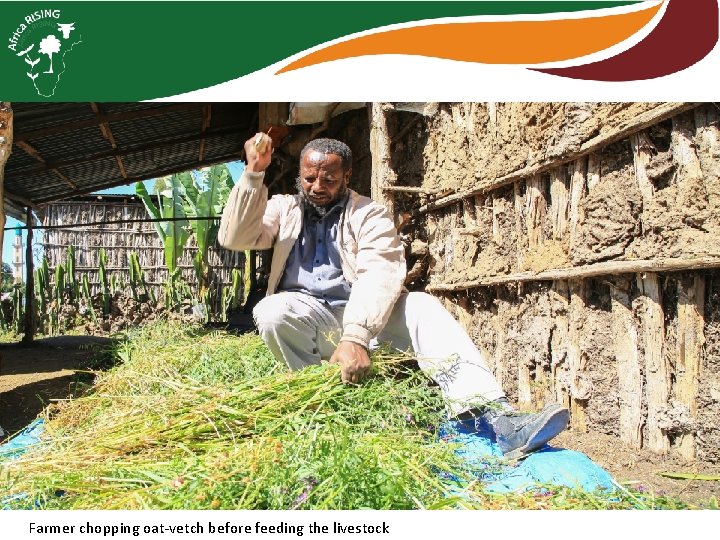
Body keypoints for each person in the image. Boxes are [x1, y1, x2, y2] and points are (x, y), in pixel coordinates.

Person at [219, 134, 569, 459]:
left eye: (329, 179)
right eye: (310, 178)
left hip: (366, 323)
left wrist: (356, 335)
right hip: (312, 321)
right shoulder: (284, 209)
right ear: (301, 174)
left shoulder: (368, 214)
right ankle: (329, 406)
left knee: (421, 306)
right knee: (272, 310)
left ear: (347, 175)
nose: (317, 187)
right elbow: (235, 237)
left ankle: (494, 418)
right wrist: (253, 173)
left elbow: (380, 271)